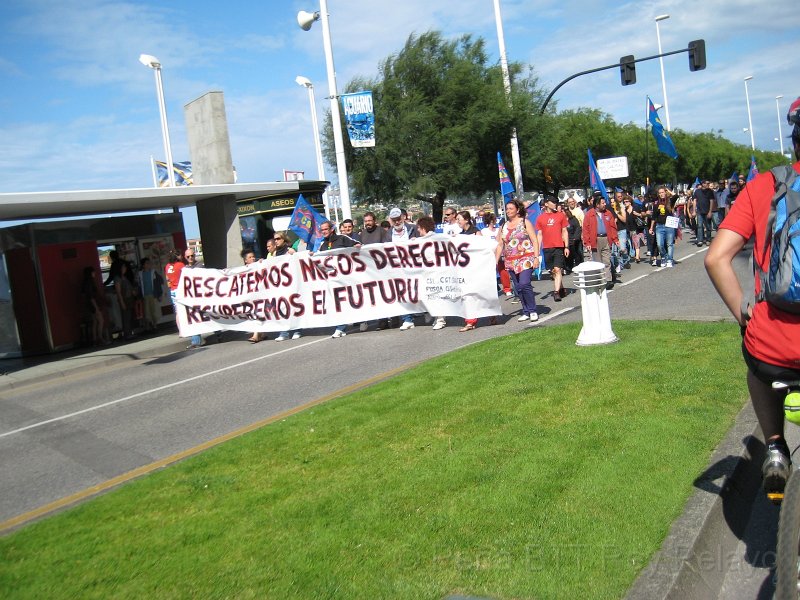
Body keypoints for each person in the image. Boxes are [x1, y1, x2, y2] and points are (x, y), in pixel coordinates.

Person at [705, 96, 800, 501]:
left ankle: (775, 446)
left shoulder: (765, 185)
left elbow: (715, 259)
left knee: (754, 356)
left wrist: (746, 315)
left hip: (773, 346)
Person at [496, 198, 540, 322]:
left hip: (526, 257)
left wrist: (536, 257)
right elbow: (500, 245)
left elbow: (534, 240)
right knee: (518, 287)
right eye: (506, 209)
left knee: (524, 283)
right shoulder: (503, 226)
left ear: (518, 209)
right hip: (510, 260)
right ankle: (525, 310)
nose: (508, 211)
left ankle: (532, 310)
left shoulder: (525, 222)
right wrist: (495, 260)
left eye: (511, 208)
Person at [317, 221, 359, 338]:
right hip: (334, 280)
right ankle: (340, 327)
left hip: (348, 277)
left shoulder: (342, 238)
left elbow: (357, 244)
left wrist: (356, 247)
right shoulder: (322, 245)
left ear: (331, 229)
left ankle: (361, 319)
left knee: (354, 299)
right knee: (338, 302)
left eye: (325, 229)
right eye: (322, 230)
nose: (324, 232)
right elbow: (318, 258)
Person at [536, 196, 570, 302]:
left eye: (556, 202)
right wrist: (537, 250)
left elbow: (564, 231)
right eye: (553, 202)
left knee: (557, 269)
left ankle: (556, 292)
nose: (555, 204)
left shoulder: (560, 215)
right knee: (553, 271)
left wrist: (566, 246)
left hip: (558, 246)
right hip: (547, 247)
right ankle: (561, 288)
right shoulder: (540, 218)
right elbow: (539, 234)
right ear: (546, 204)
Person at [582, 193, 619, 288]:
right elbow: (585, 229)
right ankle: (600, 281)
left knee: (606, 261)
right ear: (597, 205)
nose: (604, 204)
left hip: (606, 238)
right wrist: (587, 242)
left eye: (604, 203)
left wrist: (615, 239)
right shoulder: (589, 214)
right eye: (602, 203)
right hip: (595, 240)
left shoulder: (608, 213)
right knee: (598, 262)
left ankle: (608, 280)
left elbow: (612, 227)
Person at [417, 216, 447, 331]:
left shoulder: (437, 238)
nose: (418, 230)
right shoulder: (420, 241)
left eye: (419, 228)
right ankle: (437, 317)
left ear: (424, 228)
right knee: (430, 297)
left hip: (436, 273)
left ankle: (441, 319)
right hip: (426, 274)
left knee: (437, 296)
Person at [456, 211, 483, 331]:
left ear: (466, 220)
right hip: (466, 269)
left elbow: (483, 248)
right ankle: (470, 321)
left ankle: (491, 314)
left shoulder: (476, 232)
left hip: (477, 268)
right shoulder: (460, 235)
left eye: (459, 219)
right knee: (467, 295)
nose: (458, 222)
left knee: (481, 294)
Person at [182, 247, 206, 349]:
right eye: (188, 256)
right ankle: (195, 341)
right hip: (192, 299)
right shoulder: (185, 270)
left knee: (210, 315)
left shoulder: (201, 266)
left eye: (192, 255)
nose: (190, 258)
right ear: (185, 257)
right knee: (194, 318)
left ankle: (219, 333)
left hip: (203, 297)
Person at [649, 185, 677, 268]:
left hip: (669, 225)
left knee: (669, 244)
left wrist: (668, 190)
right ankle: (664, 257)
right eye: (660, 193)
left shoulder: (670, 201)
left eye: (663, 192)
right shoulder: (656, 204)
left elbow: (676, 195)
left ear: (665, 192)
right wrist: (651, 228)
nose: (661, 194)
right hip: (659, 226)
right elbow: (654, 217)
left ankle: (670, 260)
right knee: (660, 244)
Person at [81, 266, 109, 345]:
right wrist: (96, 308)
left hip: (89, 306)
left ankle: (94, 339)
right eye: (93, 272)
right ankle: (100, 338)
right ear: (90, 273)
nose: (94, 273)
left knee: (95, 322)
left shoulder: (84, 283)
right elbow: (91, 297)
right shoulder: (90, 283)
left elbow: (85, 295)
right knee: (101, 321)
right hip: (94, 304)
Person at [138, 257, 164, 332]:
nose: (149, 264)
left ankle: (154, 324)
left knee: (154, 310)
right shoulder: (140, 274)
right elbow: (139, 285)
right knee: (147, 312)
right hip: (145, 295)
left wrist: (159, 294)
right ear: (143, 265)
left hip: (153, 295)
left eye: (149, 263)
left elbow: (159, 282)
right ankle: (149, 325)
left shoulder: (153, 272)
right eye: (147, 263)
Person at [113, 261, 137, 339]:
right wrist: (122, 302)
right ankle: (127, 333)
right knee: (126, 317)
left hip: (129, 298)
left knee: (129, 316)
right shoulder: (117, 278)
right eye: (123, 267)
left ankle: (129, 332)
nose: (125, 269)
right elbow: (118, 292)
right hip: (124, 299)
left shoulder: (124, 277)